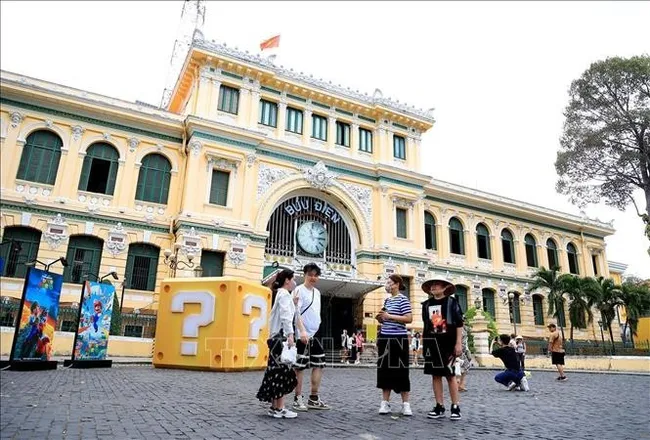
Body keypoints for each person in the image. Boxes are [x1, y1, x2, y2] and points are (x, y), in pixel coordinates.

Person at [256, 269, 299, 418]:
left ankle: (275, 407)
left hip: (274, 339)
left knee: (275, 372)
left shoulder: (281, 294)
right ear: (287, 280)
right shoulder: (284, 295)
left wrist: (293, 304)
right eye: (293, 279)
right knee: (282, 372)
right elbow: (286, 317)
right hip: (281, 339)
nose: (294, 282)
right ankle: (280, 408)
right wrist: (291, 335)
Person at [421, 276, 464, 420]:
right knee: (435, 375)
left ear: (445, 287)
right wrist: (424, 345)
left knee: (450, 375)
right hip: (432, 343)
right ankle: (439, 406)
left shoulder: (452, 303)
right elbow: (426, 326)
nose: (433, 287)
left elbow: (459, 324)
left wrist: (458, 343)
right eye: (431, 285)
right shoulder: (426, 305)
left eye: (437, 284)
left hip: (449, 344)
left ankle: (455, 406)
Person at [293, 263, 330, 411]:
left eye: (316, 275)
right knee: (300, 367)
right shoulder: (298, 290)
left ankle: (313, 398)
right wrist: (301, 331)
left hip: (314, 334)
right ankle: (298, 398)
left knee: (319, 363)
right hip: (301, 334)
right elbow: (296, 312)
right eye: (310, 274)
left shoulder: (318, 293)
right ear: (305, 275)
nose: (313, 277)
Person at [375, 274, 413, 416]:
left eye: (390, 282)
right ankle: (385, 403)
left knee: (402, 370)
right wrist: (381, 318)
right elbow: (385, 317)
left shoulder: (403, 299)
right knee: (384, 370)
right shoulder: (387, 300)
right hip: (385, 338)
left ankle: (406, 404)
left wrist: (389, 316)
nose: (388, 285)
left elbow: (409, 318)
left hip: (399, 338)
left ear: (397, 284)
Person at [457, 325, 472, 391]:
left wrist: (467, 350)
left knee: (465, 367)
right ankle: (457, 385)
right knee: (457, 368)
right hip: (456, 350)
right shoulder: (455, 328)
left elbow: (465, 342)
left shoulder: (465, 329)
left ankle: (461, 384)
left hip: (463, 350)